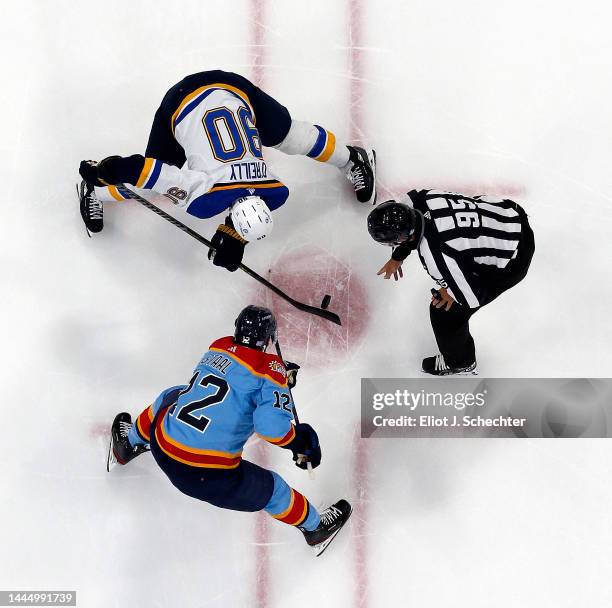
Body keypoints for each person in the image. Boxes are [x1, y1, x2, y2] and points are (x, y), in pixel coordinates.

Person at [107, 305, 352, 556]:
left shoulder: (218, 347)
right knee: (275, 490)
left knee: (171, 395)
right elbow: (270, 426)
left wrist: (275, 371)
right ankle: (315, 528)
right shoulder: (271, 372)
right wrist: (296, 440)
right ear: (268, 338)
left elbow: (239, 374)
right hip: (209, 477)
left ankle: (128, 443)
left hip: (162, 445)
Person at [79, 69, 376, 271]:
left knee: (288, 135)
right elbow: (153, 173)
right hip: (183, 100)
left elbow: (245, 194)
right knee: (145, 186)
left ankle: (352, 158)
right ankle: (96, 191)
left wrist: (235, 234)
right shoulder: (204, 195)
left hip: (232, 87)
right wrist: (105, 172)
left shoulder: (273, 191)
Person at [368, 190, 535, 375]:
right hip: (509, 214)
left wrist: (450, 291)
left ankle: (461, 362)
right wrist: (399, 255)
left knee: (443, 313)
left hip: (515, 258)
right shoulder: (423, 199)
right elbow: (412, 215)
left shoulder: (438, 258)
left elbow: (474, 296)